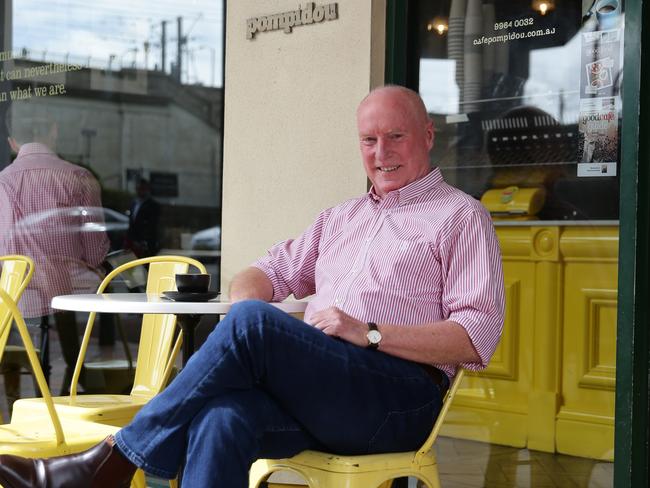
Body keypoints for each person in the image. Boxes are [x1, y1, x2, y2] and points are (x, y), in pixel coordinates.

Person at [0, 86, 505, 488]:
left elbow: (474, 337)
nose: (380, 153)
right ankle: (110, 467)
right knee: (222, 417)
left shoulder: (460, 216)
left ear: (428, 135)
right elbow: (260, 274)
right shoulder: (339, 218)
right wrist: (244, 330)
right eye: (368, 140)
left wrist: (369, 332)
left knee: (251, 328)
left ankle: (109, 463)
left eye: (395, 136)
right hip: (322, 390)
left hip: (397, 398)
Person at [0, 110, 109, 397]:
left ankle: (27, 406)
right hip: (71, 297)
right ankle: (73, 391)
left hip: (19, 298)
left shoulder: (2, 183)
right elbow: (95, 251)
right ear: (54, 132)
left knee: (31, 354)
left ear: (12, 142)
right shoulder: (80, 177)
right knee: (73, 355)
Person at [124, 178, 160, 258]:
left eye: (143, 189)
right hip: (133, 243)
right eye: (138, 188)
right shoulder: (134, 203)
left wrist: (144, 241)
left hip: (146, 244)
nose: (140, 191)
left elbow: (152, 225)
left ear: (147, 189)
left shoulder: (153, 205)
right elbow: (132, 223)